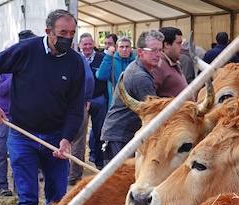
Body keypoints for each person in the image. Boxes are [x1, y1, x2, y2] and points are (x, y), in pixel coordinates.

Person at [0, 9, 92, 205]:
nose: (67, 38)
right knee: (28, 197)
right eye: (62, 33)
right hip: (22, 135)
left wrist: (66, 139)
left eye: (72, 33)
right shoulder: (26, 50)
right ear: (48, 31)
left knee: (57, 197)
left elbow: (75, 107)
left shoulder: (74, 62)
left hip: (55, 139)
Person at [99, 30, 165, 165]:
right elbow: (155, 113)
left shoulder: (139, 68)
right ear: (140, 52)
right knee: (118, 180)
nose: (158, 54)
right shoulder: (140, 77)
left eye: (160, 50)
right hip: (120, 136)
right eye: (153, 50)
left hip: (121, 134)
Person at [0, 29, 34, 198]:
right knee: (0, 151)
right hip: (3, 117)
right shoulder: (1, 70)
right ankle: (1, 185)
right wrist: (14, 78)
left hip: (21, 117)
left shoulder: (27, 68)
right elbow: (0, 91)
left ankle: (19, 186)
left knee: (20, 155)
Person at [67, 32, 108, 183]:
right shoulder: (77, 58)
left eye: (90, 44)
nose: (88, 47)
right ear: (79, 45)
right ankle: (75, 171)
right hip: (81, 101)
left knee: (99, 132)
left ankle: (99, 162)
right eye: (85, 44)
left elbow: (98, 78)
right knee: (77, 136)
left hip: (97, 99)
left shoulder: (101, 58)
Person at [95, 35, 135, 103]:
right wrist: (108, 57)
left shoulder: (135, 62)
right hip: (115, 101)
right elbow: (101, 76)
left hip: (133, 100)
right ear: (116, 48)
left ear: (131, 48)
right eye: (121, 47)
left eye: (127, 47)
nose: (124, 49)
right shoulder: (111, 60)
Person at [153, 27, 187, 96]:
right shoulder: (158, 65)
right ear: (166, 44)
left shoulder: (173, 62)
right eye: (179, 43)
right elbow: (151, 98)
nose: (182, 47)